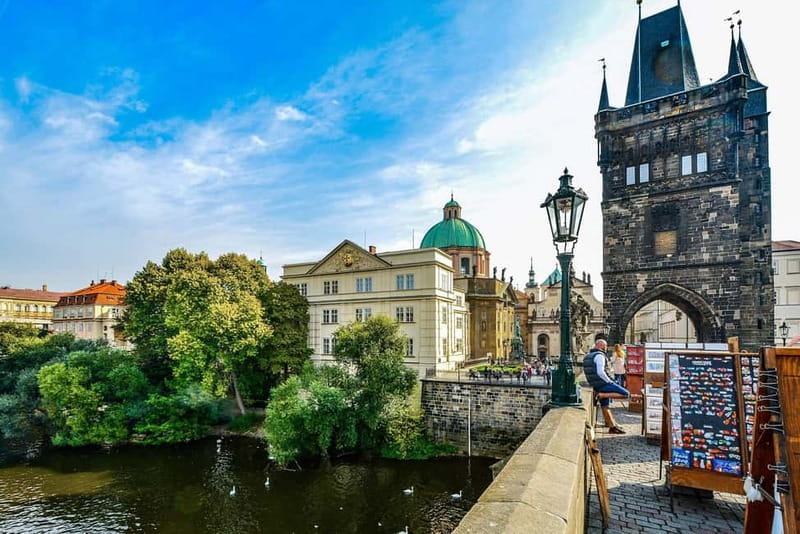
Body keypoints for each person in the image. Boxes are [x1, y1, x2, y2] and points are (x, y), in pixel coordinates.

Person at [583, 335, 629, 434]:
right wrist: (609, 381)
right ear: (602, 346)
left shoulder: (588, 356)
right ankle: (601, 395)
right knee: (626, 394)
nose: (606, 348)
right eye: (606, 346)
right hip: (603, 384)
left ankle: (612, 426)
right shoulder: (599, 356)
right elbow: (600, 372)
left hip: (596, 384)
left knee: (605, 405)